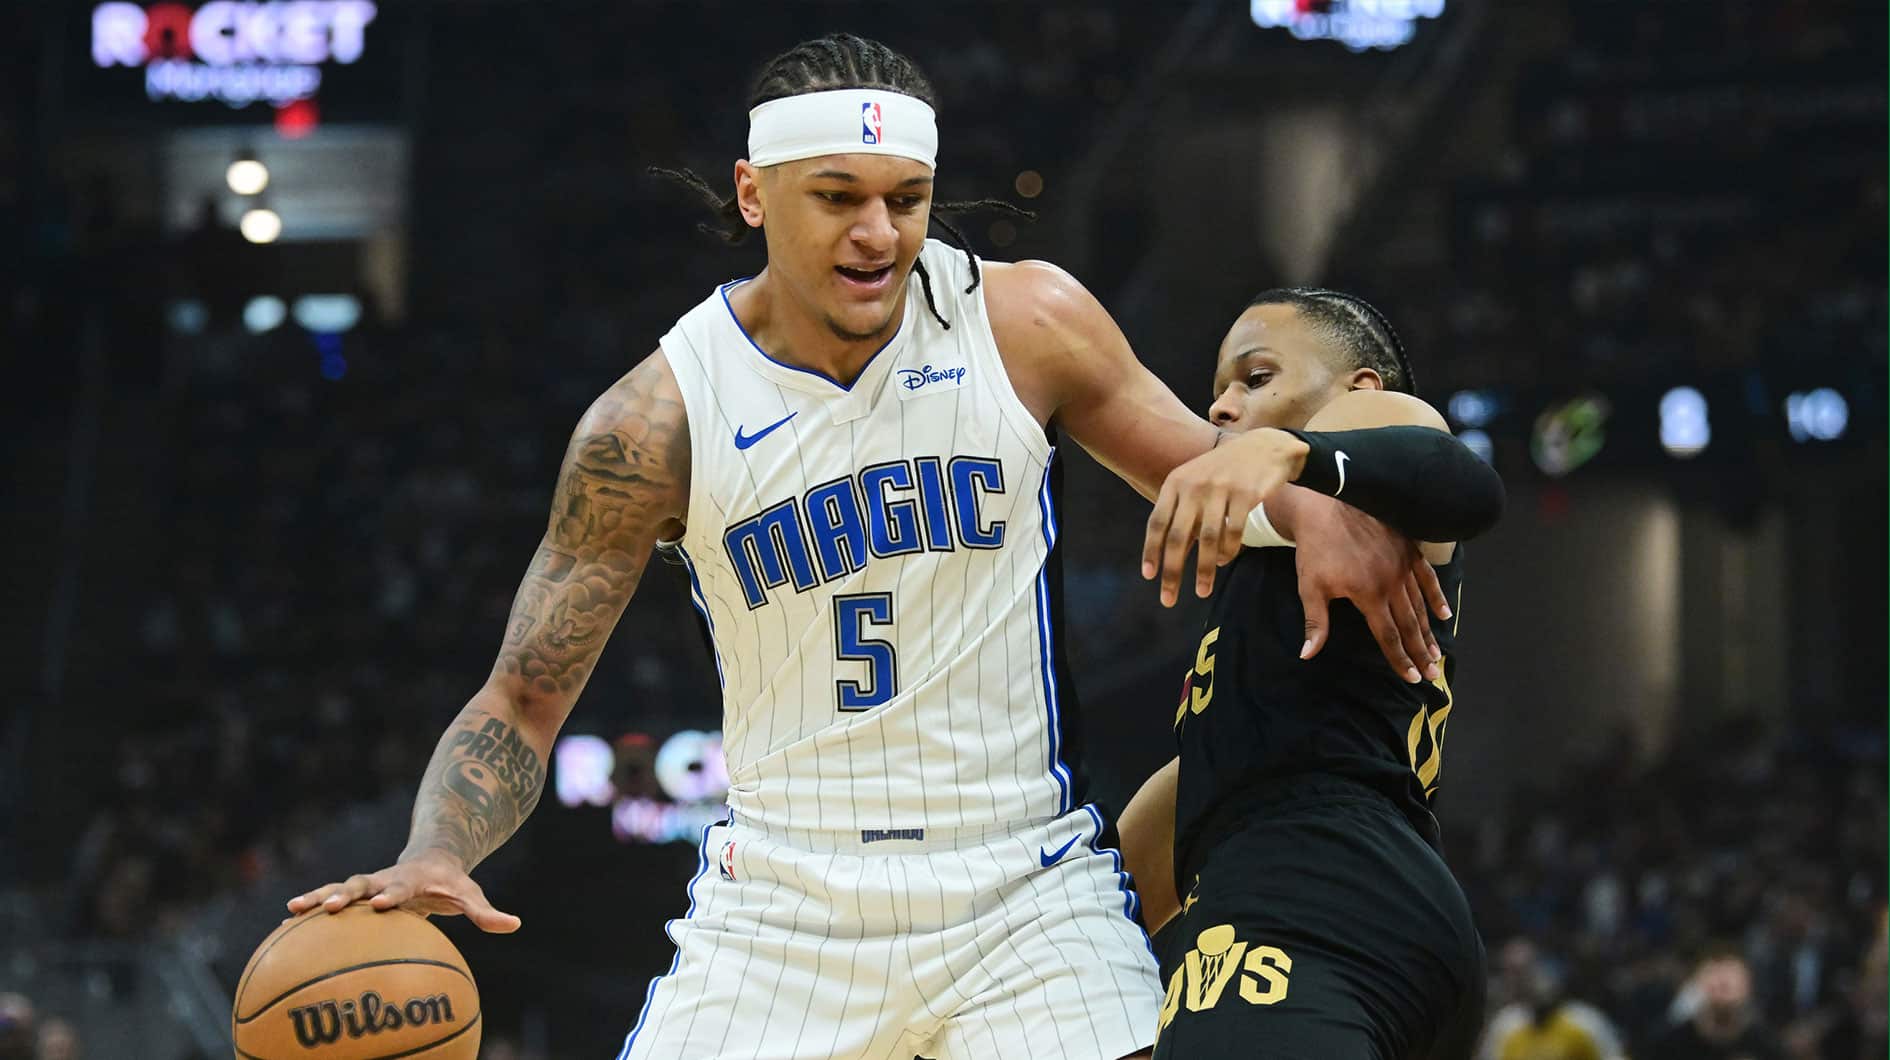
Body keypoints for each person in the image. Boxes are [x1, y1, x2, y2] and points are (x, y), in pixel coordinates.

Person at [286, 36, 1445, 1060]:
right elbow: (522, 698)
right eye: (837, 196)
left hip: (1022, 895)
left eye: (908, 197)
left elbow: (1212, 482)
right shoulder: (655, 419)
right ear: (753, 193)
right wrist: (439, 847)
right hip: (784, 909)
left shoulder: (1026, 322)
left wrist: (1327, 496)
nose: (878, 233)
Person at [1116, 288, 1505, 1059]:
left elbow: (1463, 480)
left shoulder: (1368, 434)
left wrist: (1296, 450)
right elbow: (1185, 814)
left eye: (1255, 378)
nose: (1224, 408)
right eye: (1217, 391)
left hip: (1307, 896)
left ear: (1359, 387)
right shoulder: (1259, 623)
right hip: (1367, 908)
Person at [1478, 940, 1625, 1060]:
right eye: (1510, 971)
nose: (1518, 978)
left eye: (1523, 970)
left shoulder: (1585, 1022)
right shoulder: (1505, 1027)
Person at [1650, 953, 1782, 1060]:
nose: (1721, 982)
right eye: (1715, 980)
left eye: (1727, 985)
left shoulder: (1766, 1044)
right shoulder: (1669, 1044)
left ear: (1747, 988)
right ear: (1697, 985)